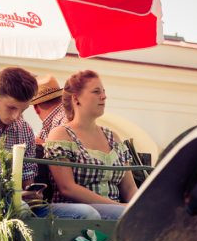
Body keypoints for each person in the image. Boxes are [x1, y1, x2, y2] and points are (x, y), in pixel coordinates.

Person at [0, 67, 101, 230]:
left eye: (23, 110)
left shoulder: (24, 130)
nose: (16, 117)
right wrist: (1, 199)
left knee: (87, 214)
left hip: (20, 208)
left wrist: (33, 195)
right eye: (12, 108)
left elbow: (27, 185)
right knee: (13, 211)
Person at [44, 70, 137, 219]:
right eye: (96, 91)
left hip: (118, 211)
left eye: (104, 91)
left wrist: (140, 206)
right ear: (76, 99)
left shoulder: (113, 137)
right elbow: (67, 188)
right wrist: (118, 207)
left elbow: (129, 187)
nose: (104, 96)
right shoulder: (61, 135)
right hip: (78, 213)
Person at [31, 75, 67, 144]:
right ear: (60, 97)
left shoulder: (61, 121)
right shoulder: (66, 116)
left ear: (36, 108)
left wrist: (42, 145)